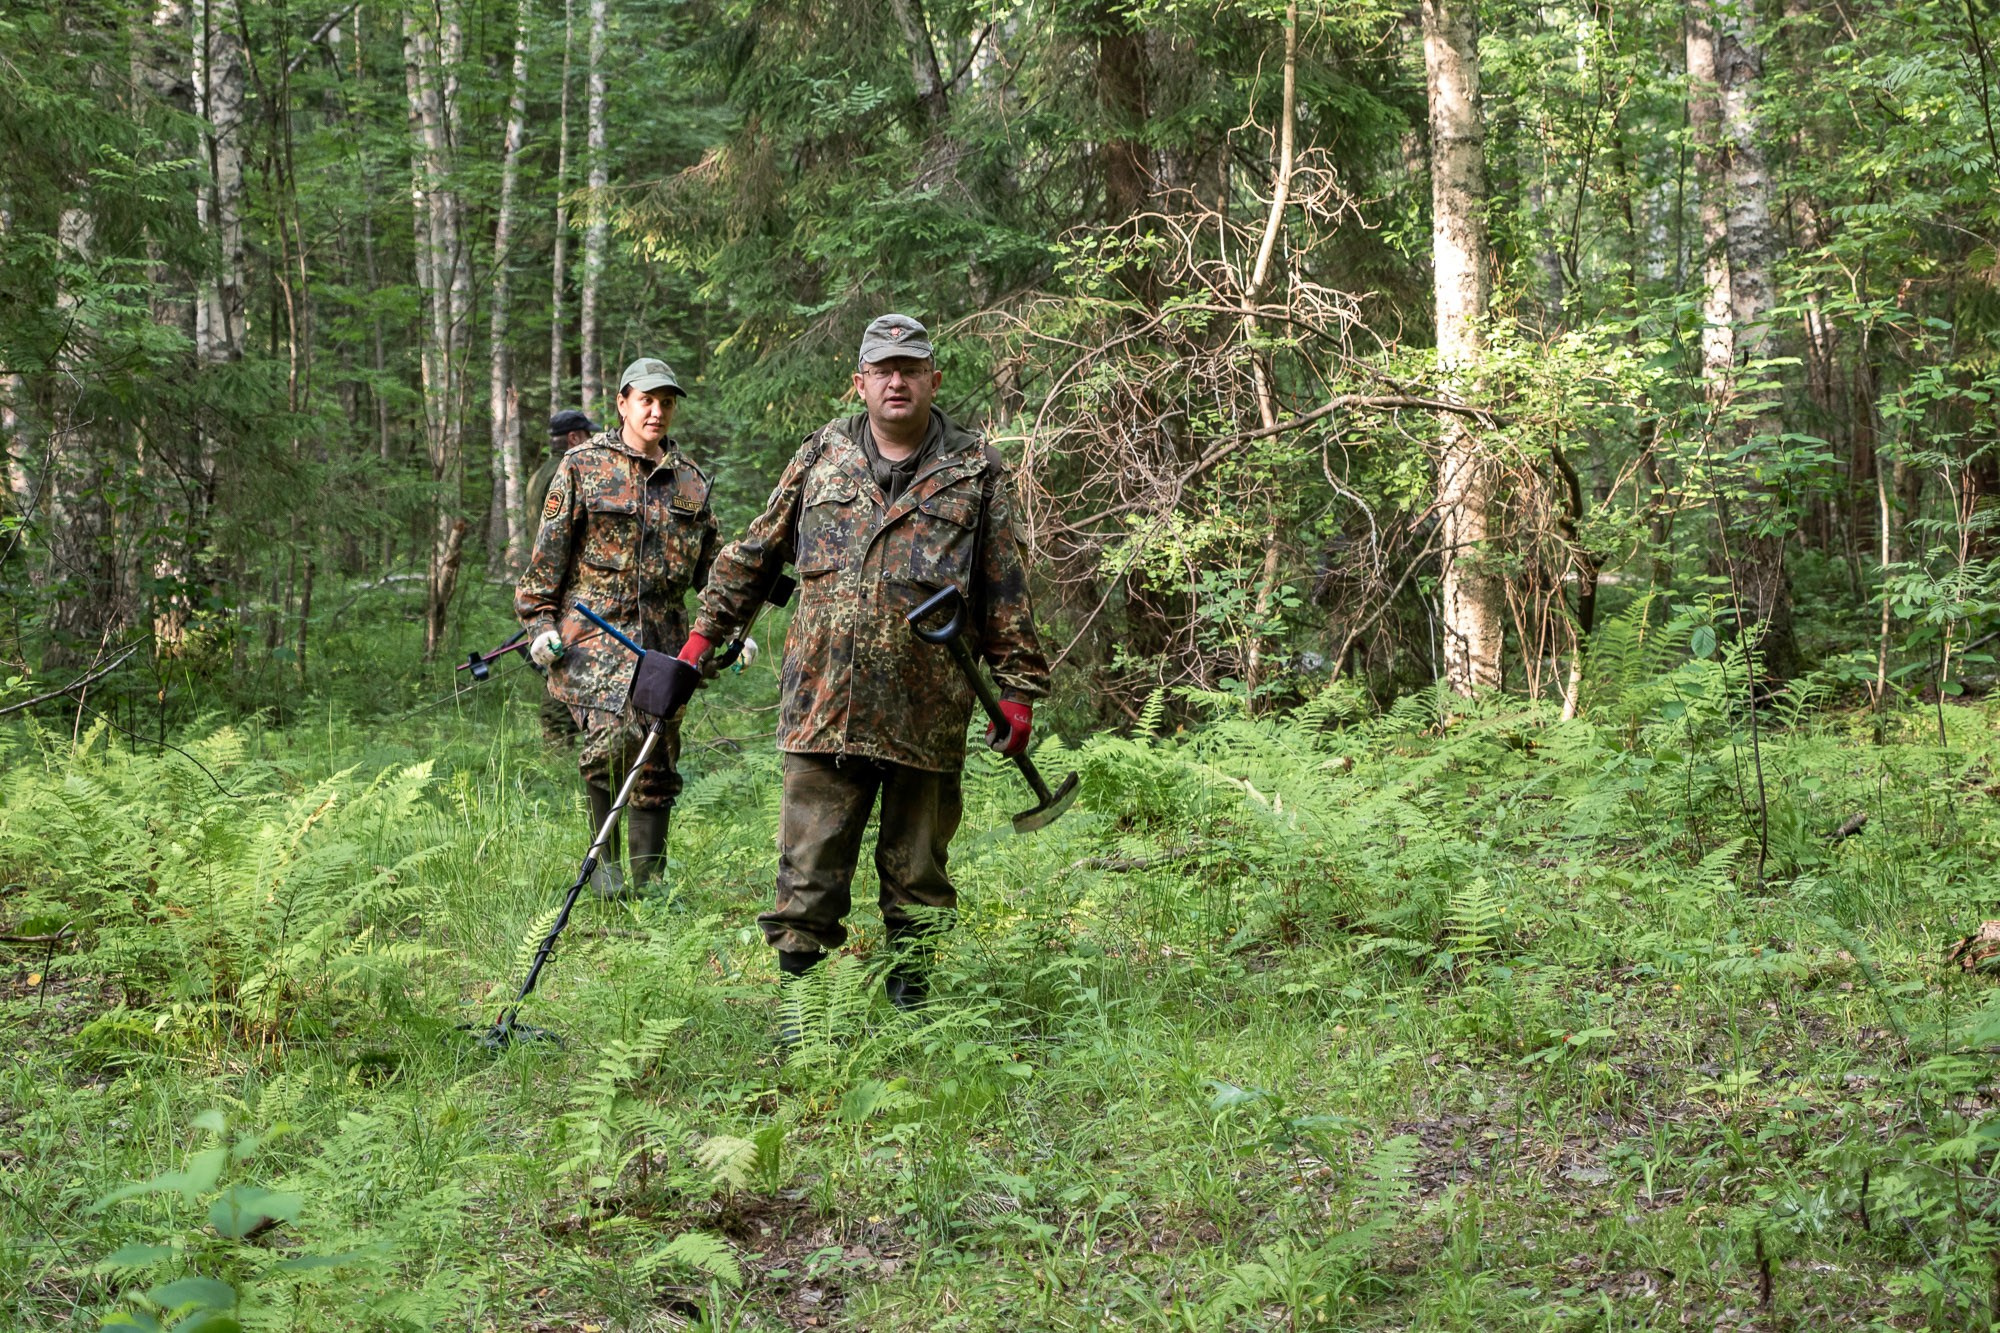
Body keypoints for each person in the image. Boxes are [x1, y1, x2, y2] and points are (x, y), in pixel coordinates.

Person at [677, 313, 1050, 1012]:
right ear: (860, 383)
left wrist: (1020, 691)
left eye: (911, 368)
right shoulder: (821, 455)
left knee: (919, 872)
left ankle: (915, 1010)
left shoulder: (976, 467)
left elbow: (1005, 587)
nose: (897, 381)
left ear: (935, 380)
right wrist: (702, 639)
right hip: (825, 699)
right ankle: (803, 1018)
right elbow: (754, 555)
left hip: (927, 706)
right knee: (808, 869)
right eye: (883, 370)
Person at [516, 361, 718, 899]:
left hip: (664, 640)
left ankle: (649, 886)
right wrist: (538, 623)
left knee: (656, 756)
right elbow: (546, 563)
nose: (656, 411)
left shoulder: (691, 481)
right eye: (646, 400)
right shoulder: (583, 467)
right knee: (610, 743)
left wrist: (729, 631)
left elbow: (713, 571)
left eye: (666, 402)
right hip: (595, 637)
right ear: (622, 402)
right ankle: (603, 873)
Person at [524, 410, 600, 746]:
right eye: (587, 435)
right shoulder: (565, 472)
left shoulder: (540, 473)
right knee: (562, 663)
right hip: (565, 586)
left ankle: (565, 739)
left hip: (549, 581)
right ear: (574, 438)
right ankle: (558, 743)